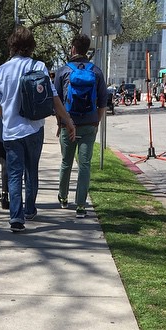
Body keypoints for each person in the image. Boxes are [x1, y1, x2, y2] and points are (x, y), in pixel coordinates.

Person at [0, 26, 76, 232]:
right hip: (34, 129)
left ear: (12, 46)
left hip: (10, 132)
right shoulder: (39, 67)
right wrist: (68, 121)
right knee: (31, 171)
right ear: (31, 46)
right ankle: (30, 209)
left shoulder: (1, 70)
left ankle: (16, 218)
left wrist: (6, 115)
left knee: (13, 174)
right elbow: (54, 99)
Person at [54, 33, 107, 218]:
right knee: (85, 165)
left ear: (73, 49)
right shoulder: (96, 71)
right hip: (89, 124)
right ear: (87, 50)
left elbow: (57, 101)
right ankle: (81, 205)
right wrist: (96, 122)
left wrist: (60, 123)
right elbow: (102, 102)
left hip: (68, 124)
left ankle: (63, 197)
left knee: (66, 162)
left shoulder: (63, 71)